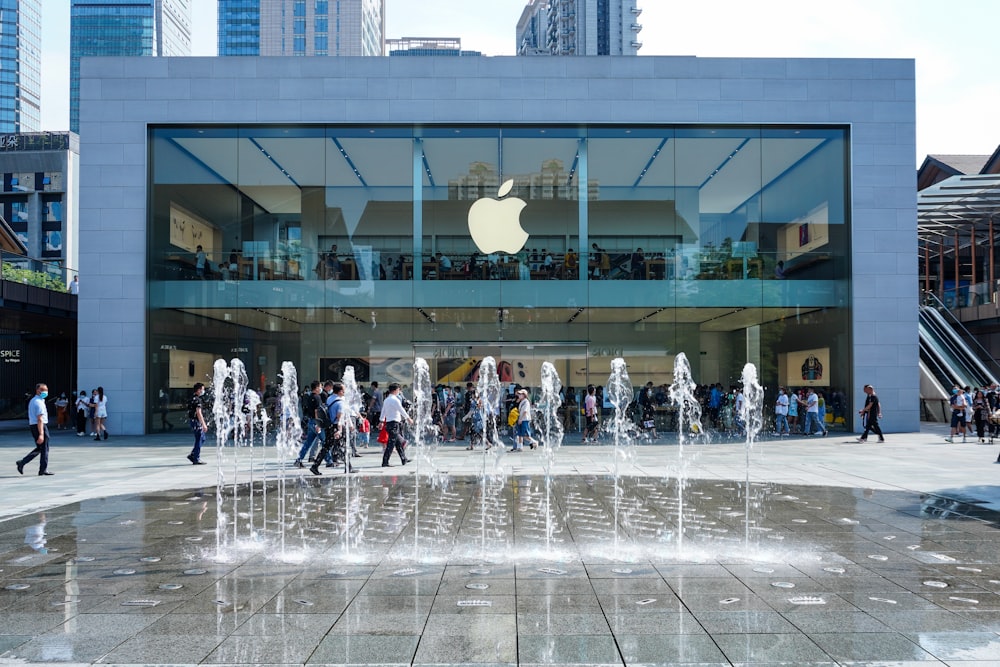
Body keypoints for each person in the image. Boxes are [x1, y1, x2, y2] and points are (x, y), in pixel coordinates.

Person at [311, 382, 355, 475]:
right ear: (339, 392)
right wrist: (339, 430)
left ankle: (315, 466)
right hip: (336, 427)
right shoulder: (340, 403)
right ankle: (348, 467)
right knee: (340, 447)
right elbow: (340, 418)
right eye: (343, 390)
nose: (344, 392)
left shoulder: (330, 398)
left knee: (328, 447)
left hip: (329, 426)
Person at [17, 383, 53, 476]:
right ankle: (43, 469)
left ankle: (22, 462)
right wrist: (41, 433)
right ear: (38, 390)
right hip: (39, 426)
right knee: (44, 448)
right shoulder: (38, 402)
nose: (46, 392)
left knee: (40, 448)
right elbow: (40, 419)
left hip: (34, 426)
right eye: (44, 390)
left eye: (47, 390)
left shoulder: (35, 400)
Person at [380, 383, 413, 467]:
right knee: (391, 444)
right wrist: (408, 418)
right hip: (394, 423)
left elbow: (383, 411)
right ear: (395, 390)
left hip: (389, 423)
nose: (399, 391)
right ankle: (385, 462)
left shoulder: (386, 400)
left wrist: (381, 421)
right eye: (398, 390)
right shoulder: (395, 400)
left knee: (397, 444)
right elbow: (401, 410)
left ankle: (403, 459)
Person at [295, 381, 325, 467]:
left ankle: (299, 459)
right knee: (324, 442)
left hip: (311, 421)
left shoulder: (309, 396)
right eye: (320, 387)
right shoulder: (317, 397)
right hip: (316, 422)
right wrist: (318, 423)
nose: (321, 388)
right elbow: (317, 411)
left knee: (308, 443)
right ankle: (329, 461)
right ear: (316, 388)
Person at [186, 382, 208, 464]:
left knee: (202, 438)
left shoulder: (192, 398)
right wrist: (204, 424)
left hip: (193, 421)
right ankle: (196, 458)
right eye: (202, 389)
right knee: (199, 439)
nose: (203, 391)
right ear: (198, 390)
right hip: (196, 422)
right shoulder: (197, 400)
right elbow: (198, 413)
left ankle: (193, 454)